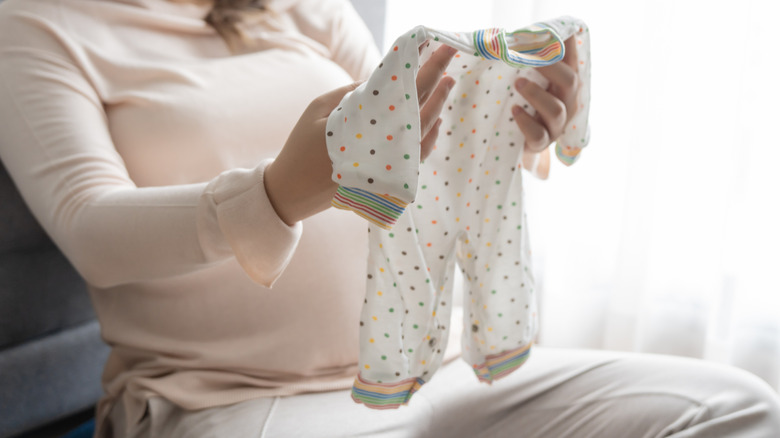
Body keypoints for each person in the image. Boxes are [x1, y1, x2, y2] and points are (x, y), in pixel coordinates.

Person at [0, 0, 778, 436]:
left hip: (427, 373)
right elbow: (92, 229)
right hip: (232, 399)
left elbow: (410, 155)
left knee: (737, 408)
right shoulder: (38, 22)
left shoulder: (297, 8)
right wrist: (276, 193)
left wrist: (510, 122)